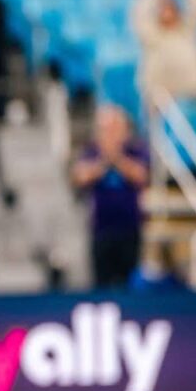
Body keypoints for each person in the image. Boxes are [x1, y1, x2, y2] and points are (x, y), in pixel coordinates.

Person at [71, 106, 149, 289]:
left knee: (130, 282)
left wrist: (117, 158)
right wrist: (105, 161)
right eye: (105, 129)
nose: (110, 134)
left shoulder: (136, 150)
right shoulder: (91, 152)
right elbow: (81, 176)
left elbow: (141, 176)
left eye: (114, 128)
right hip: (101, 229)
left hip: (129, 228)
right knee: (102, 283)